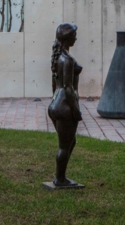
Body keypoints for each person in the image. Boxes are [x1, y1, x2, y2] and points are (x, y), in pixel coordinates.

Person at [47, 23, 83, 187]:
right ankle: (60, 179)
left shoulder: (58, 57)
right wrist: (76, 110)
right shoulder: (66, 60)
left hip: (56, 104)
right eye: (74, 35)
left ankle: (61, 176)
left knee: (70, 142)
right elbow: (68, 88)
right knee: (64, 145)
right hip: (65, 106)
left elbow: (55, 85)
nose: (76, 37)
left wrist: (54, 101)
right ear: (68, 38)